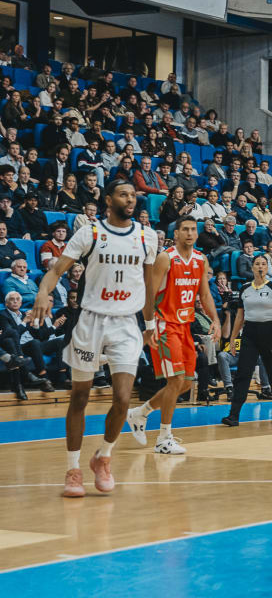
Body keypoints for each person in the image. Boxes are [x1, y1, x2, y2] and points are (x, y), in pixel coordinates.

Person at [31, 180, 158, 498]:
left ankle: (103, 456)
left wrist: (150, 323)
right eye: (123, 194)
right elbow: (57, 269)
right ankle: (73, 469)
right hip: (91, 321)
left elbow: (149, 285)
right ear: (108, 200)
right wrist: (43, 292)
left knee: (123, 398)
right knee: (80, 398)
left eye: (133, 195)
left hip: (126, 324)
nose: (130, 199)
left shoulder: (147, 236)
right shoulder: (90, 232)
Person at [125, 216, 218, 454]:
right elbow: (149, 294)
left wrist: (216, 320)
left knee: (185, 383)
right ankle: (163, 439)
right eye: (184, 229)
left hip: (185, 326)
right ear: (176, 234)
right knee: (175, 381)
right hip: (165, 324)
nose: (189, 233)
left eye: (193, 229)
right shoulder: (165, 258)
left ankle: (140, 412)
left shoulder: (201, 259)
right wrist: (149, 326)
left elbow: (205, 295)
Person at [221, 255, 272, 425]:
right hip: (249, 333)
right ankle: (234, 415)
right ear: (252, 268)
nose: (260, 266)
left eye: (264, 264)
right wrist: (233, 338)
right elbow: (240, 317)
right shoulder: (245, 288)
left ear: (267, 268)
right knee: (243, 374)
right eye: (257, 264)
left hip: (269, 332)